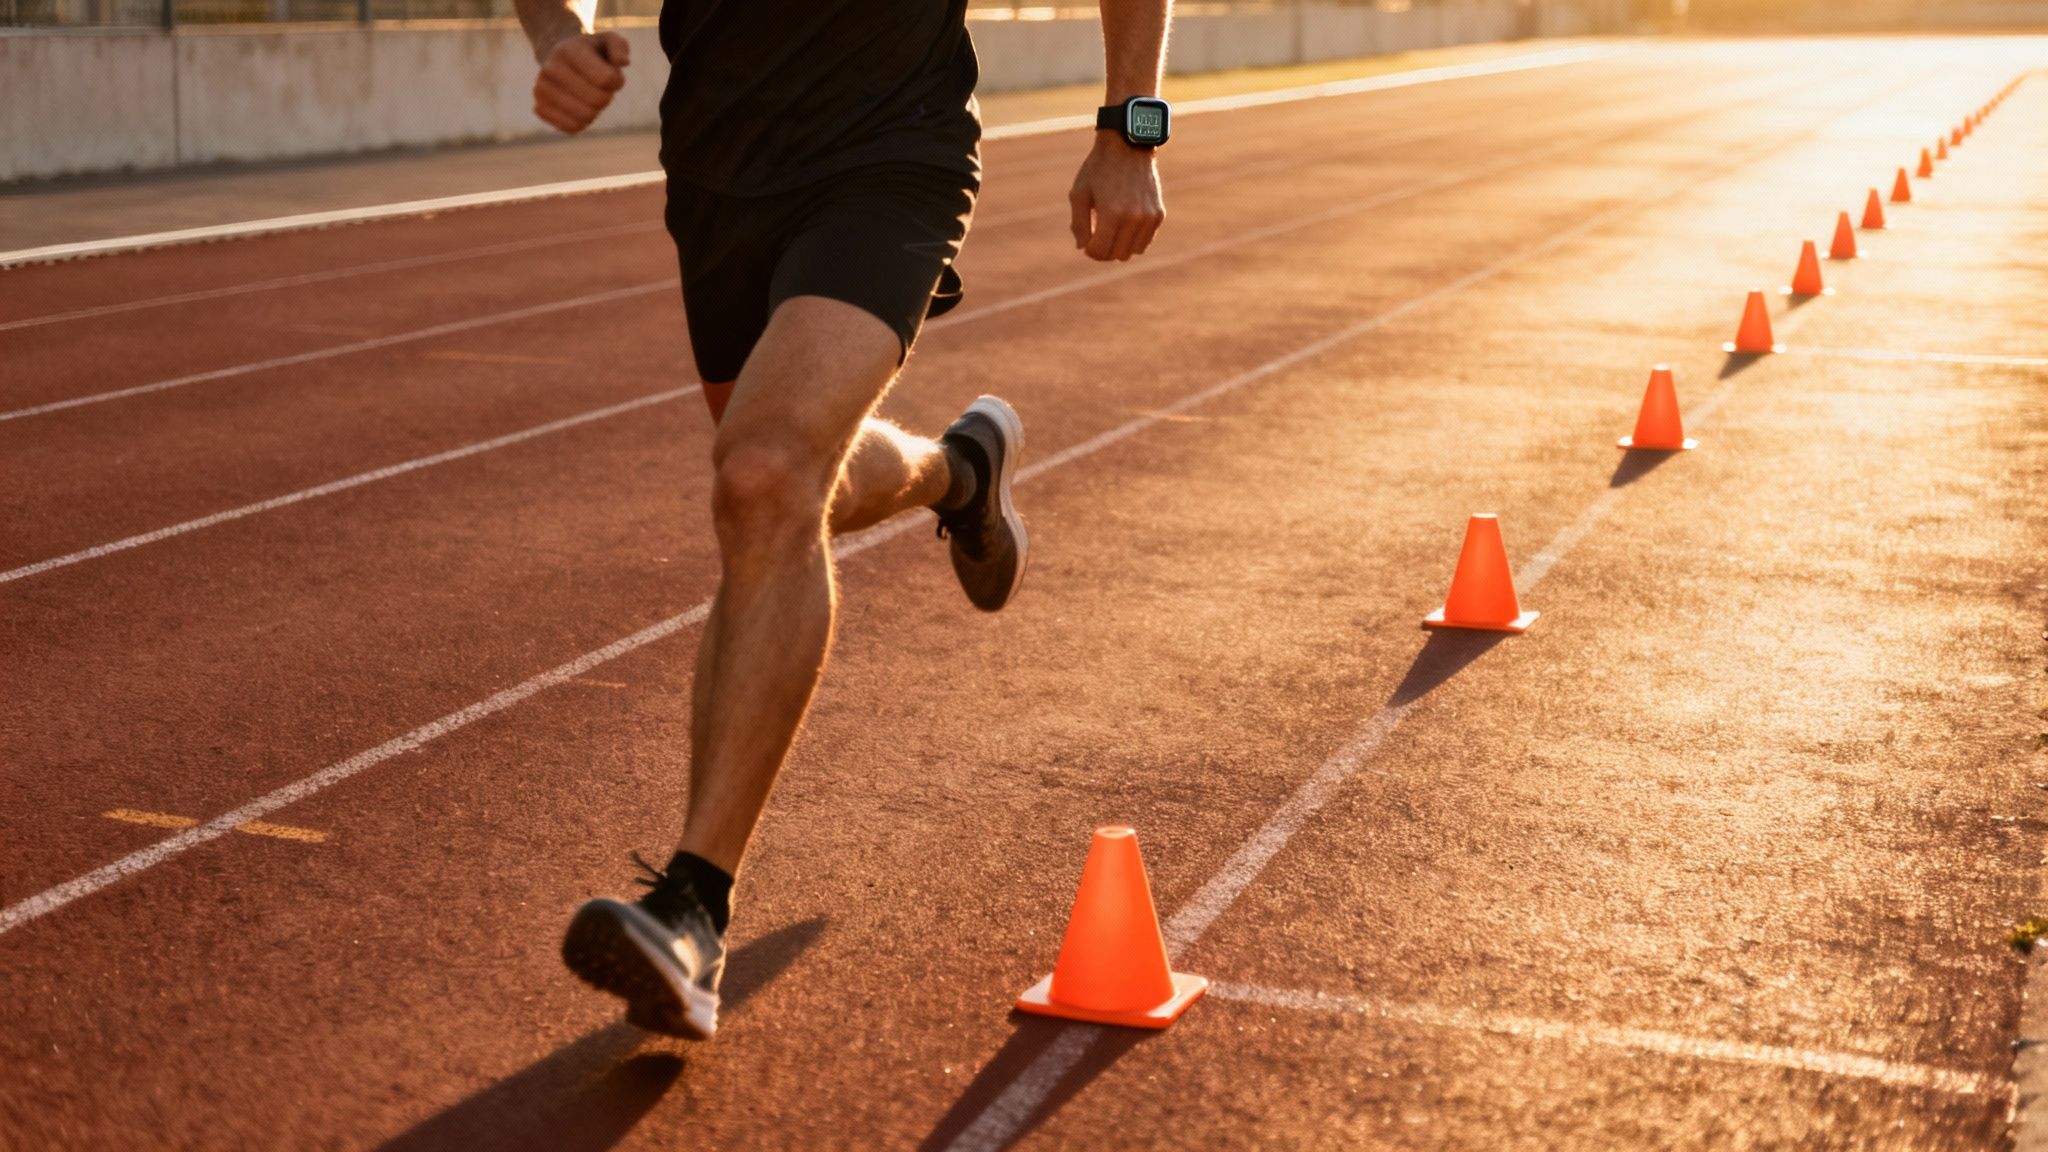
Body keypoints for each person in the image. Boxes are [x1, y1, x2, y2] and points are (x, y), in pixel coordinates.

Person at [512, 0, 1173, 1039]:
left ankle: (693, 911)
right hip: (716, 159)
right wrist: (557, 29)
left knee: (763, 477)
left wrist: (1129, 130)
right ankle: (959, 476)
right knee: (782, 474)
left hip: (888, 148)